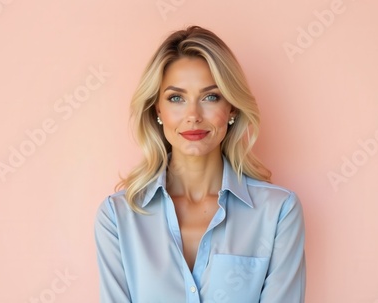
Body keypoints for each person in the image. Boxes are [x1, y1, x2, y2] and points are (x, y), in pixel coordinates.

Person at [94, 25, 306, 303]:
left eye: (210, 96)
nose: (193, 115)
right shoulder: (118, 217)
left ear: (231, 107)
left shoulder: (278, 212)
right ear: (158, 110)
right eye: (176, 98)